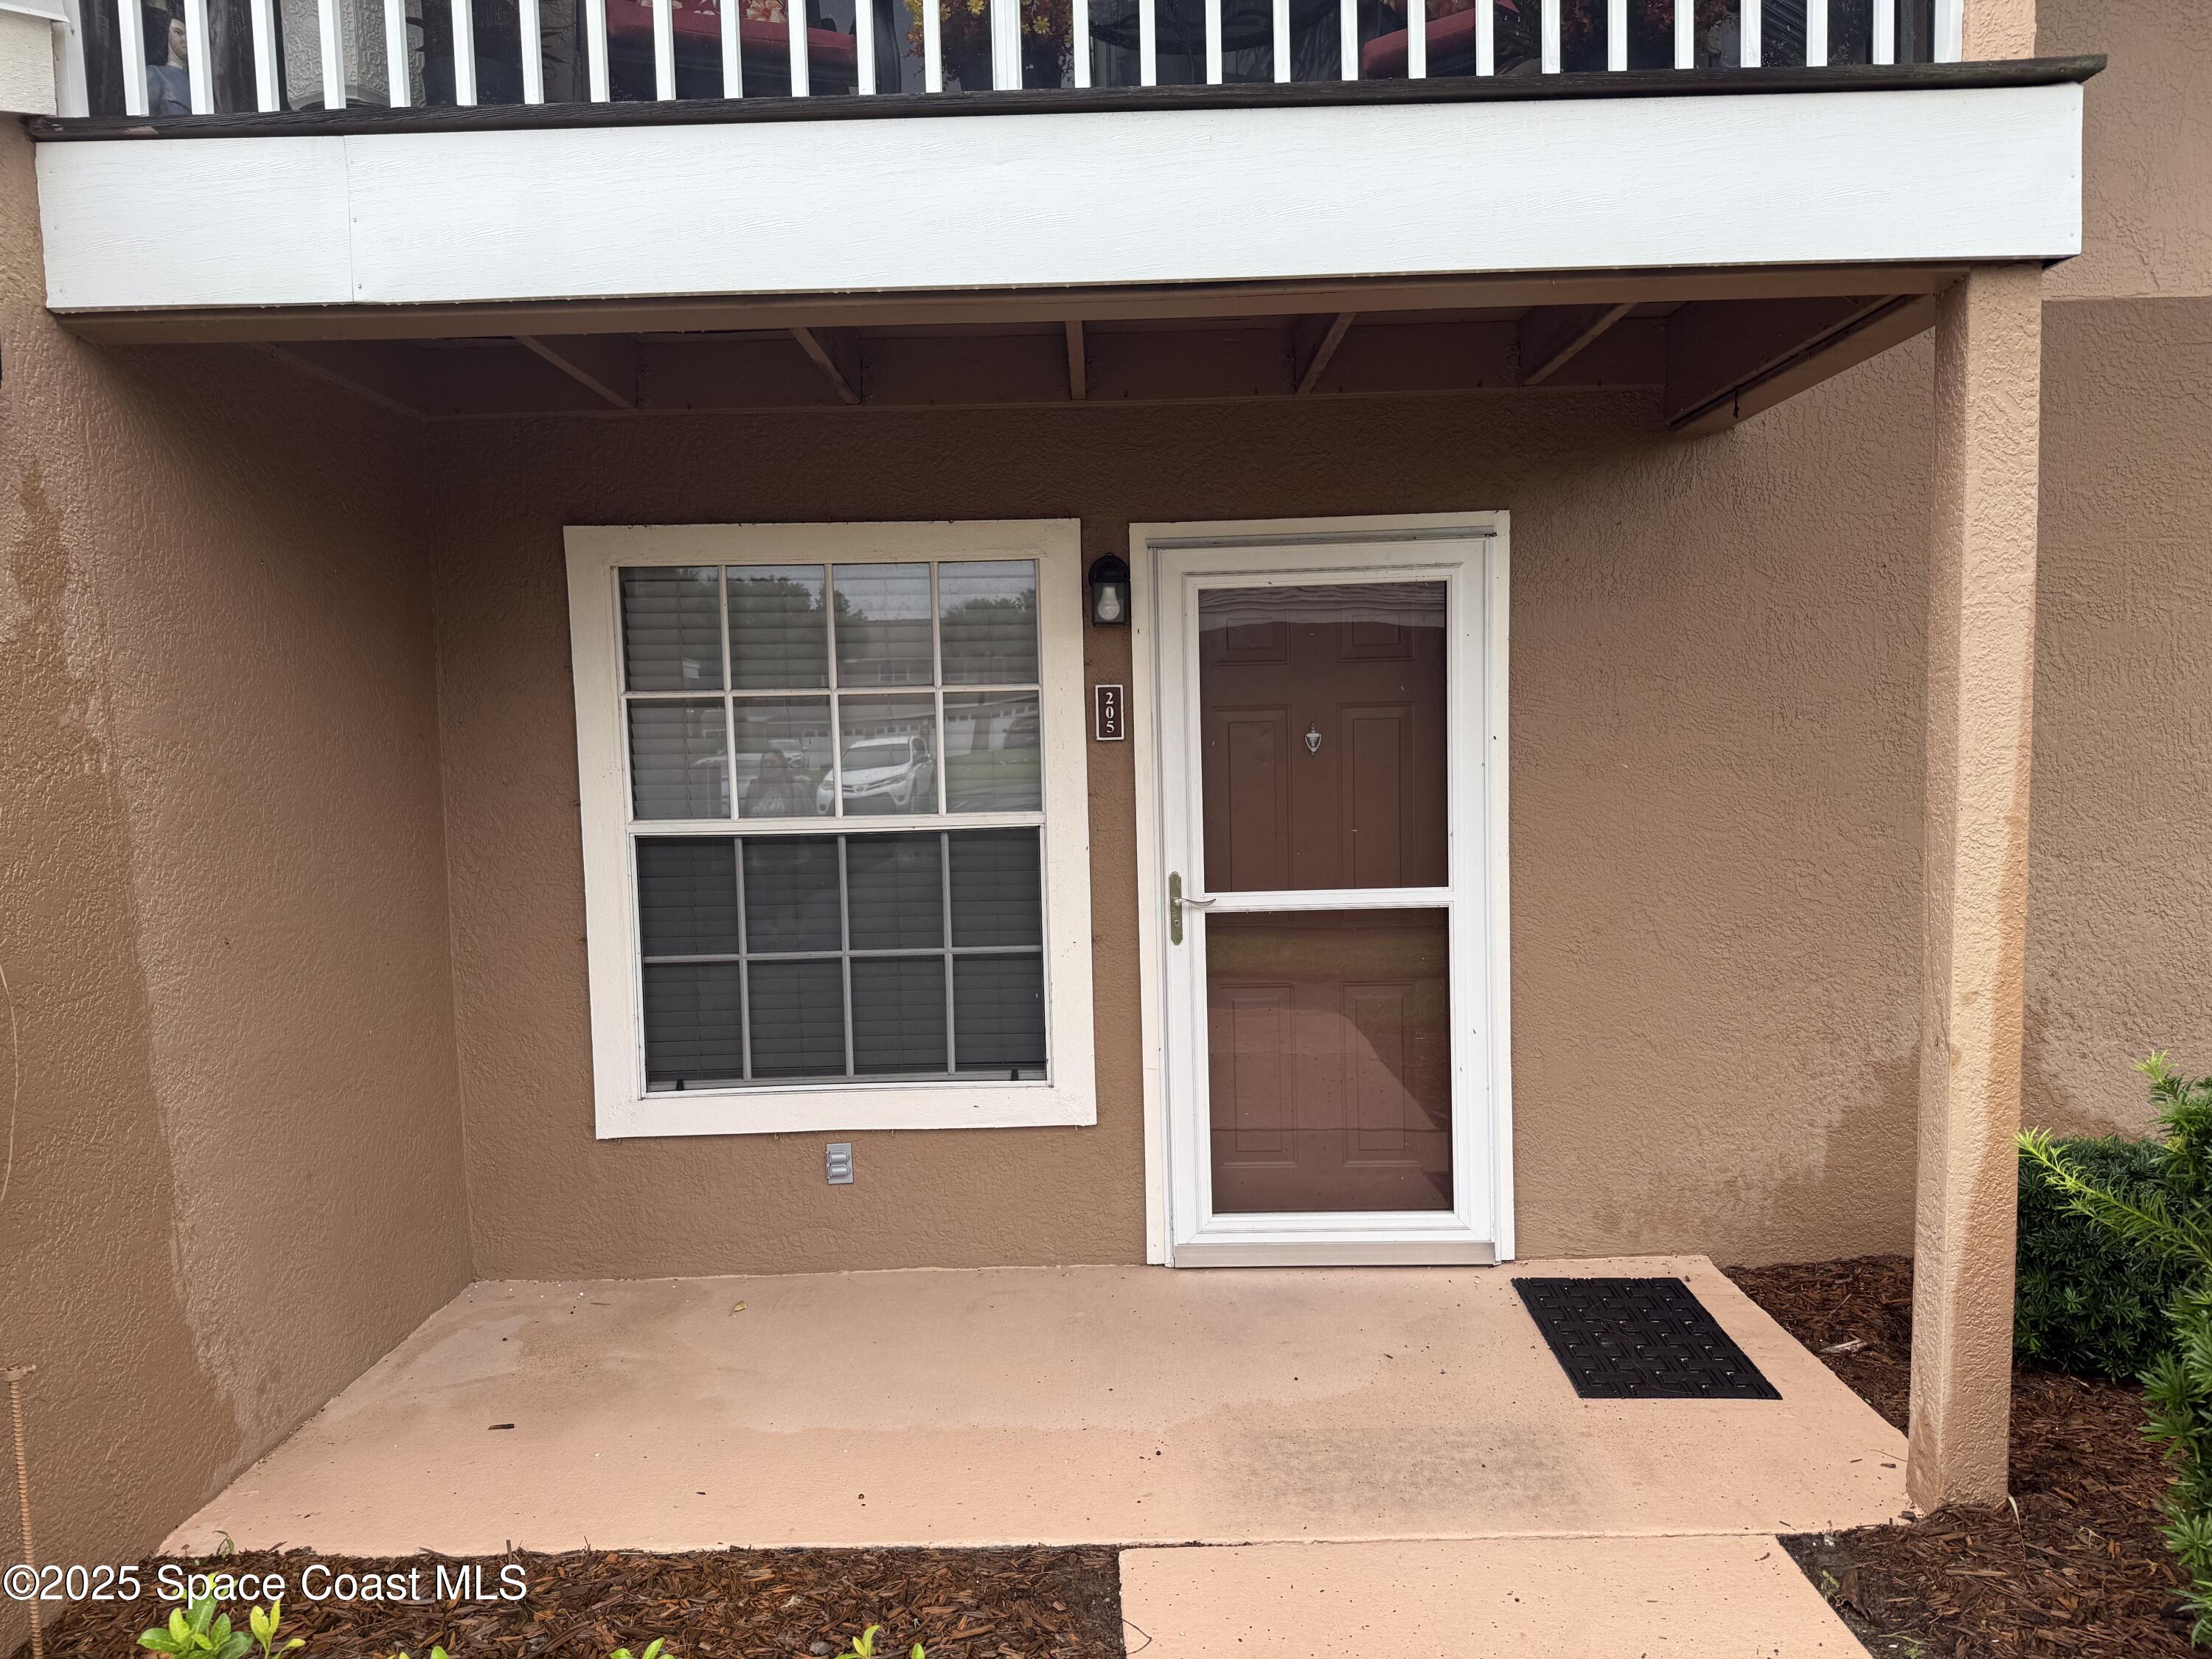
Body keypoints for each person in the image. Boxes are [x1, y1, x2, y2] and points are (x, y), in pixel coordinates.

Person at [742, 748, 813, 818]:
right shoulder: (753, 790)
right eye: (765, 762)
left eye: (773, 762)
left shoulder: (796, 790)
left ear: (782, 766)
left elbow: (810, 816)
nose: (768, 766)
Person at [147, 14, 191, 114]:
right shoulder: (154, 74)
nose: (186, 39)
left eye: (189, 33)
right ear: (166, 36)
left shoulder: (200, 80)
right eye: (178, 32)